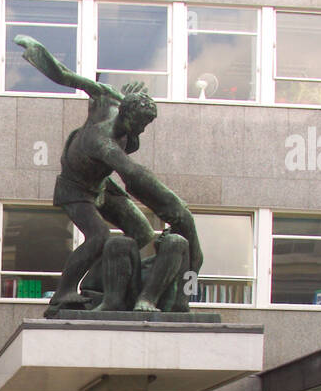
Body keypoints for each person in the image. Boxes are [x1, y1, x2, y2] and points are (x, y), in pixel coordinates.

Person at [14, 35, 202, 313]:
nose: (139, 131)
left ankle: (101, 283)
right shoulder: (101, 139)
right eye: (137, 125)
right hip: (75, 187)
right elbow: (67, 76)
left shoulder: (117, 98)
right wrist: (40, 55)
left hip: (102, 185)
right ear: (125, 116)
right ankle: (65, 290)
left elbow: (130, 163)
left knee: (141, 232)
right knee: (99, 235)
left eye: (144, 126)